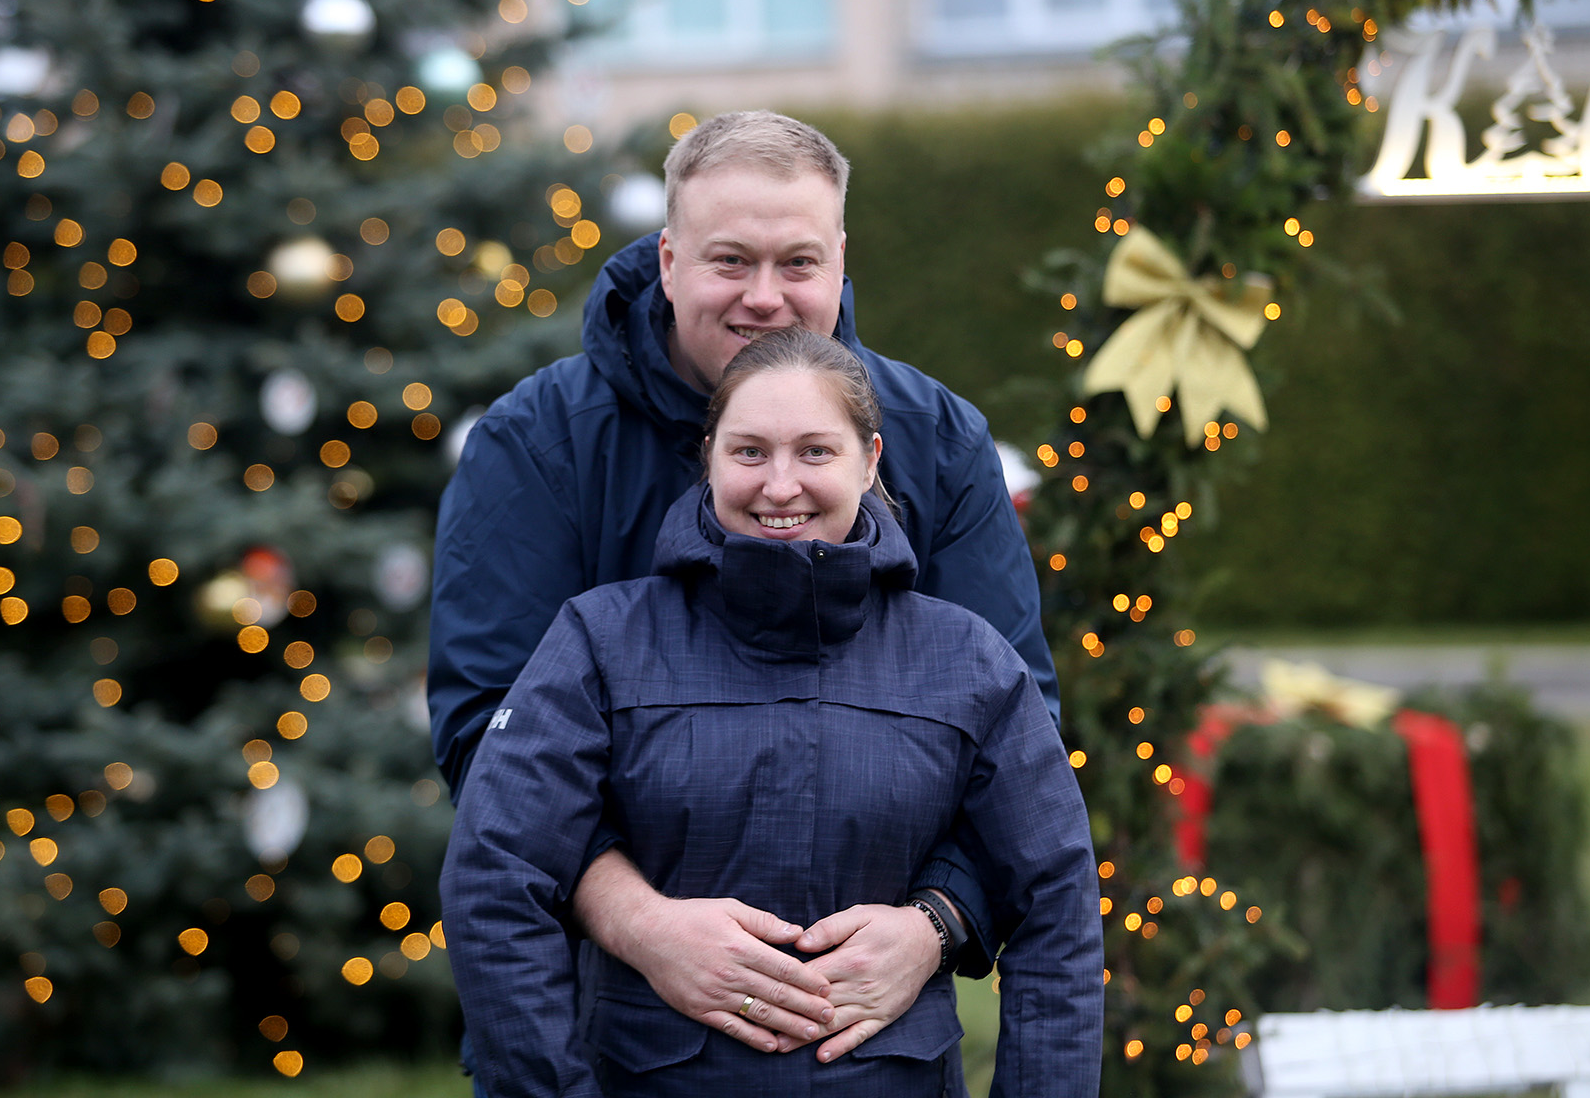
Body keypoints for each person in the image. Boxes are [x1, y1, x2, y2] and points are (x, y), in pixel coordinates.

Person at [429, 111, 1059, 1058]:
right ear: (670, 260)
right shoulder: (538, 444)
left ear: (842, 261)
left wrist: (934, 922)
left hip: (873, 1050)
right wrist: (641, 924)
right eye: (730, 261)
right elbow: (489, 733)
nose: (765, 298)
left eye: (798, 263)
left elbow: (1018, 733)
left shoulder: (938, 442)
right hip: (614, 1027)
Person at [444, 329, 1101, 1097]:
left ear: (870, 460)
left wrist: (938, 924)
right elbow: (494, 874)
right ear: (709, 457)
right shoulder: (601, 641)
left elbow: (1057, 898)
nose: (779, 485)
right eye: (749, 451)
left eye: (815, 452)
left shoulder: (969, 661)